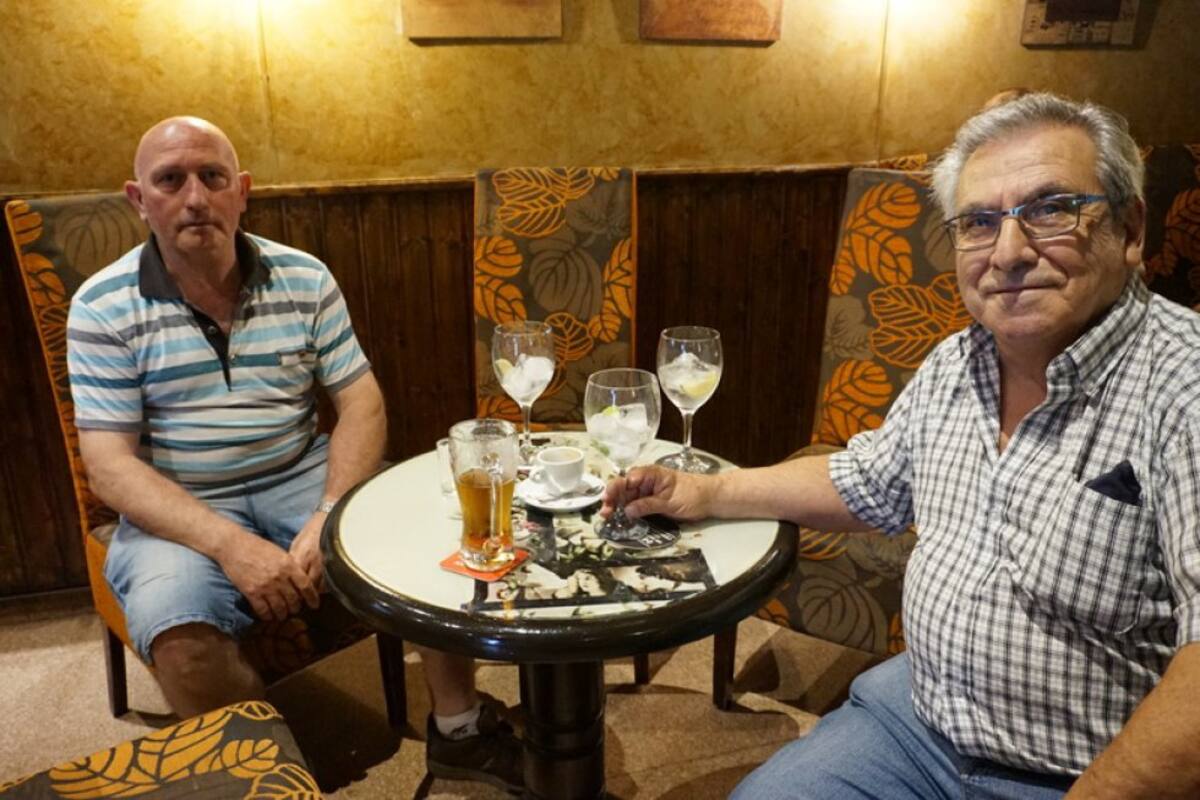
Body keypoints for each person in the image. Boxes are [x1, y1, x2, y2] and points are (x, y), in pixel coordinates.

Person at [604, 93, 1200, 799]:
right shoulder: (956, 363)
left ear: (1130, 229)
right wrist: (706, 491)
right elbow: (866, 481)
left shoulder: (1183, 387)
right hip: (917, 720)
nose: (1009, 252)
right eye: (979, 223)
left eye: (1051, 210)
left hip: (1079, 770)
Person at [67, 116, 521, 793]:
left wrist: (330, 511)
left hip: (300, 472)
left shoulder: (304, 277)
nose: (195, 198)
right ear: (139, 199)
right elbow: (109, 465)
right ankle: (263, 780)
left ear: (242, 191)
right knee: (180, 630)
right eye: (170, 180)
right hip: (180, 501)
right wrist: (228, 544)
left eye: (212, 177)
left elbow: (361, 403)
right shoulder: (102, 305)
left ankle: (459, 729)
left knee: (436, 537)